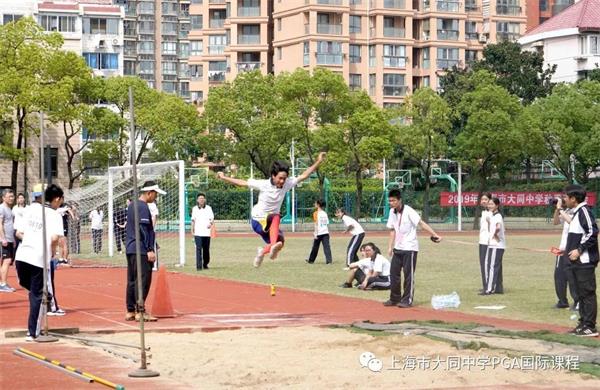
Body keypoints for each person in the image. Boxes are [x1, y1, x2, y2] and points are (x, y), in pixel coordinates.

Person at [217, 152, 326, 267]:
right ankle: (273, 245)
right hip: (258, 220)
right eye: (280, 178)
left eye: (284, 178)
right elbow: (242, 183)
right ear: (273, 176)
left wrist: (318, 161)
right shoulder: (263, 184)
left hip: (271, 225)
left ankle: (261, 253)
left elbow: (304, 175)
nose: (282, 181)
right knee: (276, 216)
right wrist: (224, 177)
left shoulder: (287, 184)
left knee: (281, 241)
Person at [14, 184, 64, 341]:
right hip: (38, 259)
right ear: (56, 199)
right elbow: (55, 238)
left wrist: (32, 238)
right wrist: (53, 252)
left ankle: (43, 297)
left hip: (21, 256)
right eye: (61, 200)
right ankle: (33, 332)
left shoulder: (28, 209)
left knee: (31, 290)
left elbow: (19, 232)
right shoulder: (54, 215)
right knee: (37, 294)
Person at [384, 189, 442, 308]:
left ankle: (407, 300)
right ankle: (394, 298)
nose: (391, 203)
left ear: (399, 200)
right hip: (398, 248)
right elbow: (392, 230)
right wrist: (390, 246)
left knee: (408, 275)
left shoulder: (409, 211)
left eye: (393, 200)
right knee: (393, 273)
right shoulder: (392, 212)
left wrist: (434, 234)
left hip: (410, 248)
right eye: (389, 201)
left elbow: (421, 223)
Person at [125, 180, 166, 322]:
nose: (156, 198)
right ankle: (140, 311)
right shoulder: (143, 207)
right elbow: (143, 228)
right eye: (155, 194)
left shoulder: (131, 206)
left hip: (131, 247)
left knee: (132, 279)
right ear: (149, 193)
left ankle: (130, 310)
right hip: (140, 249)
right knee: (143, 280)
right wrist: (149, 248)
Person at [563, 184, 598, 337]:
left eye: (566, 197)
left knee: (587, 293)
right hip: (576, 262)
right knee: (580, 294)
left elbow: (593, 232)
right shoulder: (577, 212)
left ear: (574, 199)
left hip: (585, 261)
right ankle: (583, 323)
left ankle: (590, 326)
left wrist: (579, 250)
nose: (564, 199)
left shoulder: (584, 211)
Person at [552, 194, 578, 310]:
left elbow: (571, 221)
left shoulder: (577, 211)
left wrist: (561, 209)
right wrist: (557, 209)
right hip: (562, 250)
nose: (564, 200)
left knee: (572, 278)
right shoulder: (565, 210)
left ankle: (578, 302)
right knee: (559, 277)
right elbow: (556, 222)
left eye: (565, 198)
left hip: (572, 251)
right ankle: (562, 301)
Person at [480, 197, 506, 295]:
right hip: (492, 244)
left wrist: (495, 234)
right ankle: (491, 287)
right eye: (489, 204)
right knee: (488, 264)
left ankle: (489, 289)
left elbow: (498, 227)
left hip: (497, 245)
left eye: (492, 204)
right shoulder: (493, 216)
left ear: (497, 205)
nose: (490, 206)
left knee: (491, 267)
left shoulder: (498, 216)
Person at [191, 193, 214, 270]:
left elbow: (212, 218)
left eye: (202, 198)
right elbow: (193, 220)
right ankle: (198, 266)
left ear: (205, 200)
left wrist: (210, 224)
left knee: (206, 249)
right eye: (200, 198)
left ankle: (205, 263)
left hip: (206, 232)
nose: (201, 200)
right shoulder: (194, 209)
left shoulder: (209, 208)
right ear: (197, 200)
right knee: (198, 248)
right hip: (198, 232)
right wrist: (192, 230)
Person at [306, 200, 332, 264]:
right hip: (325, 232)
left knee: (315, 247)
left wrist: (315, 233)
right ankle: (329, 261)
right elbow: (327, 223)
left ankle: (311, 260)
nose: (314, 204)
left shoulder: (316, 213)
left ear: (318, 205)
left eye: (315, 203)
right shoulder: (325, 213)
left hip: (319, 233)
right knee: (327, 247)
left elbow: (316, 224)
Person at [0, 189, 16, 292]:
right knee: (7, 260)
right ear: (3, 197)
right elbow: (0, 224)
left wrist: (13, 239)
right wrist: (3, 238)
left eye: (12, 196)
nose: (12, 198)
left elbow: (10, 225)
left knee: (7, 261)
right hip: (4, 240)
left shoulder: (10, 209)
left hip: (10, 239)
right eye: (9, 196)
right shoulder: (1, 208)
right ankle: (3, 284)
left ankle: (3, 282)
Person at [477, 192, 492, 293]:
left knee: (487, 264)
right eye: (482, 199)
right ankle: (485, 285)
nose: (483, 201)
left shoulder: (492, 213)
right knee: (483, 264)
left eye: (486, 199)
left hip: (488, 242)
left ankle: (488, 286)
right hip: (482, 241)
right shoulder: (483, 212)